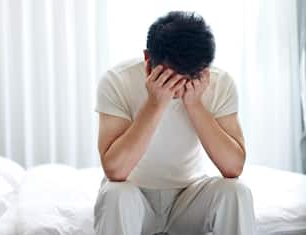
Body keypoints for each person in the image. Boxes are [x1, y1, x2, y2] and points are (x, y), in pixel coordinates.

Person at [93, 11, 256, 235]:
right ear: (148, 60)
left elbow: (233, 167)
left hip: (190, 198)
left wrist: (195, 105)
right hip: (135, 199)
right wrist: (155, 105)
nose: (180, 88)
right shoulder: (116, 81)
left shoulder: (220, 83)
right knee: (115, 194)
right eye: (172, 78)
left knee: (236, 192)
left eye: (192, 78)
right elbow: (115, 170)